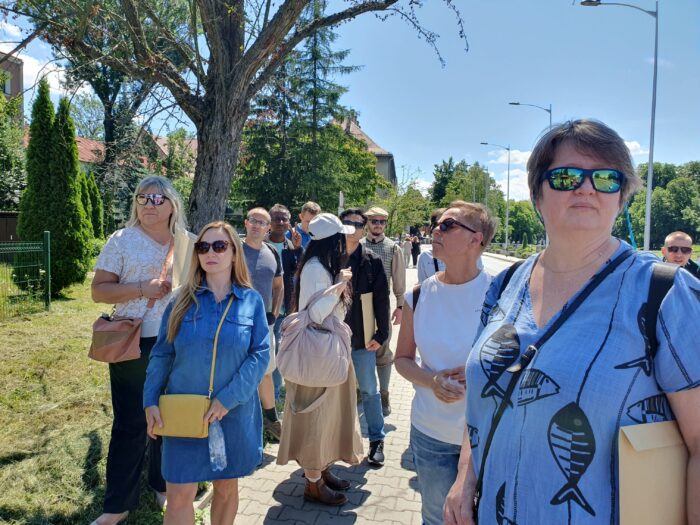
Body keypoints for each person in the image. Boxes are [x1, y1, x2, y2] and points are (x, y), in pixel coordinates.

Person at [444, 119, 700, 525]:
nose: (586, 188)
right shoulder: (505, 285)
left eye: (605, 178)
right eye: (565, 177)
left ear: (622, 197)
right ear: (537, 194)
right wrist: (465, 475)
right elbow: (483, 398)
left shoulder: (664, 294)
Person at [144, 221, 269, 525]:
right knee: (178, 496)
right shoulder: (179, 301)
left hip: (232, 413)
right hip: (182, 413)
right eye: (203, 247)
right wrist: (150, 400)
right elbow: (161, 353)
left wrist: (228, 399)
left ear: (234, 253)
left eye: (219, 246)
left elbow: (260, 354)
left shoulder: (250, 302)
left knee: (226, 488)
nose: (210, 252)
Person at [90, 175, 187, 525]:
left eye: (158, 199)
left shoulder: (186, 243)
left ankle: (161, 484)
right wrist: (142, 288)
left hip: (177, 341)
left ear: (172, 204)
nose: (149, 204)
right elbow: (99, 291)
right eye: (143, 197)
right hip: (135, 341)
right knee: (131, 421)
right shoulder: (122, 240)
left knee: (169, 416)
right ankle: (117, 505)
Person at [395, 201, 496, 525]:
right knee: (437, 518)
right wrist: (433, 380)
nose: (436, 229)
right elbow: (402, 360)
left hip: (488, 437)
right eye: (437, 223)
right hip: (431, 433)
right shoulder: (419, 295)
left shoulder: (499, 294)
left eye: (449, 225)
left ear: (475, 239)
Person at [277, 213, 363, 506]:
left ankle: (322, 470)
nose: (347, 241)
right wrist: (339, 285)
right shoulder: (317, 268)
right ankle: (313, 481)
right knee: (317, 418)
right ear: (333, 240)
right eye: (343, 236)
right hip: (318, 353)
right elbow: (314, 313)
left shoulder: (320, 265)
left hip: (325, 352)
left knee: (327, 417)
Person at [342, 208, 390, 466]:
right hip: (332, 340)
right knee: (332, 392)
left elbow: (382, 300)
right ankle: (332, 444)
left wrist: (381, 334)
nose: (352, 228)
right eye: (347, 223)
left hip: (362, 339)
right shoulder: (330, 258)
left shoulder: (372, 261)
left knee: (370, 390)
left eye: (357, 224)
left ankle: (376, 440)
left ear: (363, 229)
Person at [242, 207, 284, 441]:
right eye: (253, 221)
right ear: (246, 223)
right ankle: (249, 430)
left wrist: (274, 314)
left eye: (262, 222)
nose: (257, 225)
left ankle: (271, 420)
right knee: (244, 376)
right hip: (237, 323)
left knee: (266, 372)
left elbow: (279, 286)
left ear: (269, 228)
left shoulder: (272, 253)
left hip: (264, 324)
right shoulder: (233, 250)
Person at [360, 206, 405, 416]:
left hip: (382, 305)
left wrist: (400, 305)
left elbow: (399, 278)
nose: (378, 225)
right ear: (367, 222)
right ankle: (360, 390)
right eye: (374, 221)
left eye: (381, 221)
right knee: (359, 348)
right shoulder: (357, 245)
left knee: (383, 350)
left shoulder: (392, 248)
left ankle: (384, 394)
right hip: (359, 306)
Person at [267, 204, 303, 401]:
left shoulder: (292, 247)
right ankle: (267, 397)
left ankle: (276, 398)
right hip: (264, 309)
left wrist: (298, 249)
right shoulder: (260, 245)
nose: (280, 222)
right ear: (269, 221)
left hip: (285, 311)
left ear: (289, 223)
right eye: (276, 218)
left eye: (284, 219)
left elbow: (301, 271)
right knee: (268, 353)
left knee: (280, 353)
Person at [418, 207, 484, 283]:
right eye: (435, 225)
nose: (437, 230)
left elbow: (479, 282)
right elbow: (423, 287)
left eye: (447, 225)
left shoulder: (473, 256)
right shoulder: (425, 256)